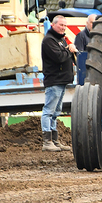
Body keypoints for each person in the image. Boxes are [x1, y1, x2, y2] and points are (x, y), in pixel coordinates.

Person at [41, 15, 77, 152]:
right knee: (49, 111)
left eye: (65, 25)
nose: (63, 28)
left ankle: (55, 141)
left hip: (62, 81)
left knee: (56, 112)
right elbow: (59, 57)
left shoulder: (59, 39)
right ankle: (47, 142)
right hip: (54, 80)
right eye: (61, 25)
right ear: (53, 25)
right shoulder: (49, 41)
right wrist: (69, 50)